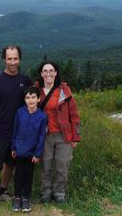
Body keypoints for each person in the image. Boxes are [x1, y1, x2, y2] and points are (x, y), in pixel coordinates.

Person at [0, 45, 31, 207]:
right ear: (4, 59)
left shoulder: (25, 81)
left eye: (15, 58)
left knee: (11, 163)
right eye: (9, 59)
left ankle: (3, 191)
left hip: (17, 133)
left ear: (20, 59)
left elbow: (34, 100)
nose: (12, 62)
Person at [37, 61, 81, 203]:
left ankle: (59, 192)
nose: (48, 73)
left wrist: (75, 136)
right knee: (46, 165)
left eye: (51, 70)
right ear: (41, 74)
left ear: (56, 73)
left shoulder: (64, 92)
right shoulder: (36, 91)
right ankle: (46, 191)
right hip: (45, 135)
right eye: (45, 71)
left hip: (64, 134)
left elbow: (74, 115)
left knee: (63, 165)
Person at [11, 86, 47, 212]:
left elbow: (42, 137)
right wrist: (13, 147)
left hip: (32, 154)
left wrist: (38, 154)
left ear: (38, 99)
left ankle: (26, 198)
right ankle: (16, 197)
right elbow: (15, 130)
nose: (30, 100)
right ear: (24, 99)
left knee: (28, 176)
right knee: (18, 175)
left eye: (33, 97)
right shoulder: (20, 112)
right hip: (20, 151)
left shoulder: (42, 116)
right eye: (27, 98)